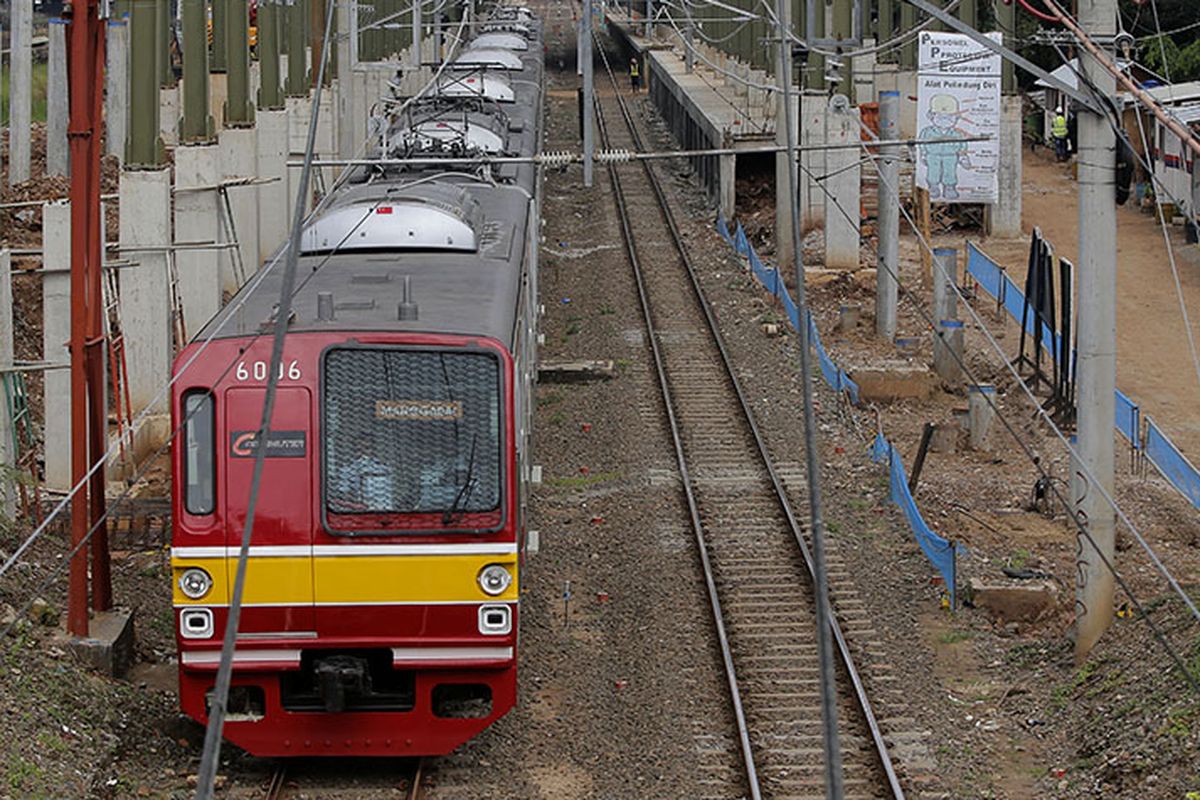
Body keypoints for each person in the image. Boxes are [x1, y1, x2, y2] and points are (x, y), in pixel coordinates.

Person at [918, 94, 970, 201]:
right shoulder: (927, 132)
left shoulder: (957, 134)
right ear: (932, 116)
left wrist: (963, 156)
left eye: (950, 117)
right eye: (941, 117)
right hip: (932, 155)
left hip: (951, 156)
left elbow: (962, 144)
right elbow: (922, 142)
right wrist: (923, 153)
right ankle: (933, 187)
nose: (945, 120)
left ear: (955, 118)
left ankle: (949, 188)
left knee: (950, 172)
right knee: (933, 171)